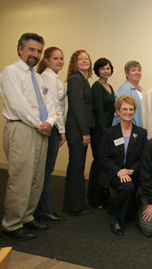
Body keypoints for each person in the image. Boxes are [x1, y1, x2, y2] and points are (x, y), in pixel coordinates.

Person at [0, 33, 56, 240]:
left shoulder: (39, 77)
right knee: (21, 178)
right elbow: (18, 104)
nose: (35, 54)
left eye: (39, 51)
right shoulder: (10, 72)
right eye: (31, 50)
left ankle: (27, 217)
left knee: (36, 178)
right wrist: (39, 124)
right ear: (20, 49)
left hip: (41, 130)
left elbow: (49, 104)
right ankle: (12, 224)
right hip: (22, 128)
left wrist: (49, 122)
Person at [99, 95, 147, 236]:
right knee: (127, 186)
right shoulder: (109, 133)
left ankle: (119, 207)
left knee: (131, 199)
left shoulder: (141, 133)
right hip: (114, 173)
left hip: (133, 172)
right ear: (118, 111)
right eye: (124, 109)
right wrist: (118, 171)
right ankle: (116, 219)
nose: (128, 112)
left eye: (131, 109)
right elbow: (103, 158)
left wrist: (131, 171)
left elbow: (144, 158)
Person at [35, 46, 67, 221]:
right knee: (46, 171)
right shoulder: (48, 78)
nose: (60, 61)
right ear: (46, 60)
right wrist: (62, 130)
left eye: (61, 58)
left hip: (53, 126)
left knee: (45, 170)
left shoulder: (52, 77)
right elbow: (55, 106)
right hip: (53, 126)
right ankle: (44, 209)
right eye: (55, 58)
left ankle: (41, 207)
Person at [64, 50, 95, 215]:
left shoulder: (84, 80)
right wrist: (85, 131)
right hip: (76, 129)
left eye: (86, 58)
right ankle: (76, 207)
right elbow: (77, 108)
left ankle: (69, 203)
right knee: (77, 166)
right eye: (80, 58)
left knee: (76, 165)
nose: (84, 61)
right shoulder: (75, 79)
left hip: (79, 128)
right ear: (74, 63)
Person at [88, 58, 115, 209]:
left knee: (105, 164)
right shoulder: (97, 86)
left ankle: (103, 195)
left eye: (108, 68)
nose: (106, 71)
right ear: (97, 70)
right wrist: (105, 132)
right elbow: (98, 110)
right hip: (100, 130)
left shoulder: (109, 86)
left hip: (109, 129)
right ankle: (94, 198)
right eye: (103, 68)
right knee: (99, 162)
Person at [112, 61, 143, 127]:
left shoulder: (140, 89)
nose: (137, 72)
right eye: (133, 70)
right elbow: (121, 113)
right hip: (126, 130)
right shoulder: (125, 89)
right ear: (127, 74)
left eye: (139, 70)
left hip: (138, 129)